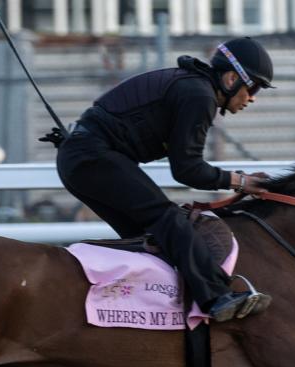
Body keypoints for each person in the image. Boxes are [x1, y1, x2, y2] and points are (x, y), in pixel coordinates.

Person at [56, 37, 275, 322]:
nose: (253, 97)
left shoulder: (192, 86)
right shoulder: (200, 95)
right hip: (91, 156)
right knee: (168, 219)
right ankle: (216, 298)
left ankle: (139, 309)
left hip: (81, 157)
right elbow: (188, 170)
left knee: (148, 237)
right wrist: (242, 182)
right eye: (253, 87)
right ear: (232, 78)